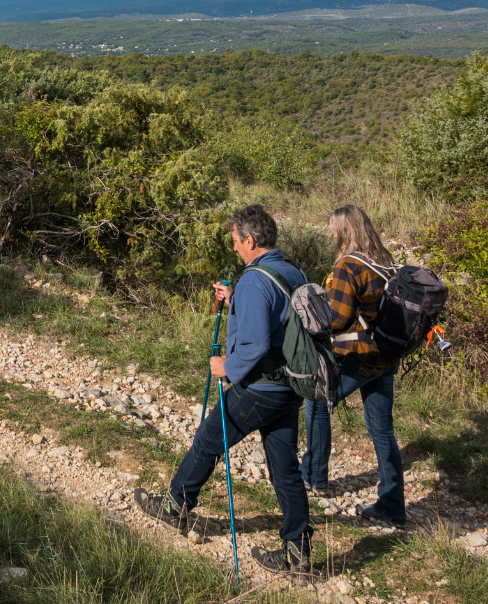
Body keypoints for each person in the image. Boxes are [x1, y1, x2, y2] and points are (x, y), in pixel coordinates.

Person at [134, 203, 314, 575]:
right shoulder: (290, 271)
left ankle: (175, 507)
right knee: (285, 469)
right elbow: (279, 320)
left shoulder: (254, 279)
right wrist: (235, 300)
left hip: (259, 387)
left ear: (249, 239)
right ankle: (297, 552)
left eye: (235, 240)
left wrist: (226, 367)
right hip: (290, 387)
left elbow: (255, 344)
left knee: (208, 439)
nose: (233, 246)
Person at [300, 204, 408, 527]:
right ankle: (393, 502)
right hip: (385, 356)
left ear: (345, 230)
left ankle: (313, 476)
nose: (331, 233)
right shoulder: (385, 261)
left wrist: (311, 319)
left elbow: (338, 318)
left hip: (359, 354)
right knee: (381, 428)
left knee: (318, 399)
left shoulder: (349, 265)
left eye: (334, 228)